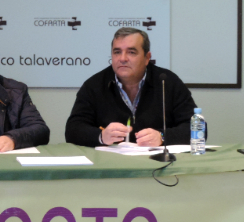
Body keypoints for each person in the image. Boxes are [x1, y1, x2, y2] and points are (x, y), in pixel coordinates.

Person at [65, 27, 197, 147]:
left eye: (131, 52)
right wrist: (101, 136)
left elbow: (196, 128)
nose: (122, 58)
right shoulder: (94, 85)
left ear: (147, 58)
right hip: (111, 162)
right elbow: (73, 129)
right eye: (117, 52)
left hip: (156, 162)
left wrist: (162, 137)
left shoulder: (167, 82)